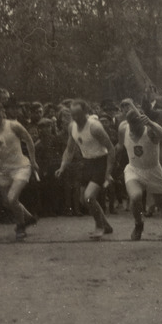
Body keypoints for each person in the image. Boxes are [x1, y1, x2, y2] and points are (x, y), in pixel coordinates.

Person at [0, 101, 40, 241]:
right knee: (7, 202)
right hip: (4, 170)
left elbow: (29, 140)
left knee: (12, 198)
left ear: (3, 112)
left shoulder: (13, 125)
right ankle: (29, 218)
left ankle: (20, 226)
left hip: (21, 166)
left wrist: (33, 160)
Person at [56, 99, 115, 239]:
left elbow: (111, 149)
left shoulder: (95, 127)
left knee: (89, 197)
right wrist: (62, 166)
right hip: (87, 162)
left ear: (86, 112)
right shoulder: (72, 127)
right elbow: (69, 150)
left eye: (78, 114)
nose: (75, 118)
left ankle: (99, 226)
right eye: (73, 115)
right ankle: (106, 225)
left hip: (100, 161)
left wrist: (108, 172)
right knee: (84, 200)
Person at [117, 109, 162, 240]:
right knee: (135, 196)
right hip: (134, 169)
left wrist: (150, 123)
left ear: (142, 123)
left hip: (153, 171)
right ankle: (138, 224)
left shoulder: (150, 132)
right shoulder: (123, 128)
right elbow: (120, 145)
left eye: (136, 125)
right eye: (130, 124)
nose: (132, 128)